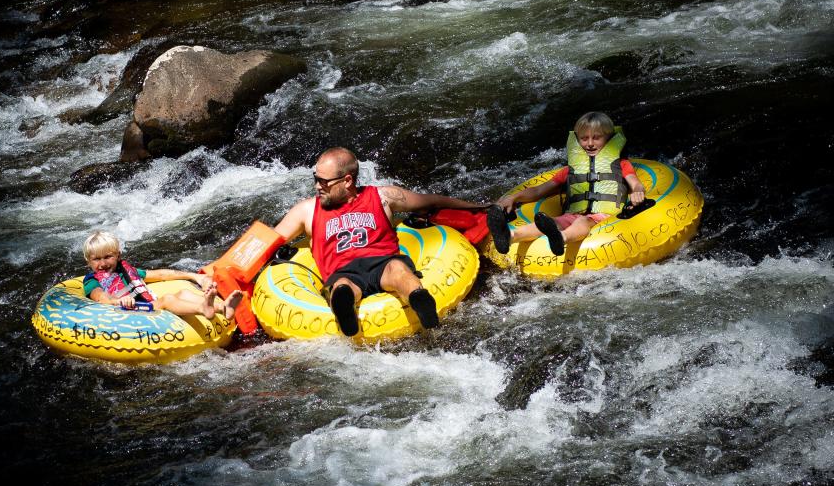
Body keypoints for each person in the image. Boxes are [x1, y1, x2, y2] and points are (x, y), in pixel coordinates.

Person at [273, 147, 486, 337]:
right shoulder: (307, 210)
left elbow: (430, 200)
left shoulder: (383, 196)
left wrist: (479, 207)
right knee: (345, 286)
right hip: (343, 271)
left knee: (398, 271)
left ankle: (419, 299)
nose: (317, 187)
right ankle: (345, 308)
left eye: (324, 182)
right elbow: (269, 240)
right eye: (315, 178)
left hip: (383, 262)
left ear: (347, 181)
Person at [486, 112, 646, 256]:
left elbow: (636, 184)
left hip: (604, 218)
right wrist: (514, 198)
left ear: (609, 138)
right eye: (584, 138)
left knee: (581, 221)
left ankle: (561, 238)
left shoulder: (621, 165)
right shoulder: (570, 171)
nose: (590, 143)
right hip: (574, 214)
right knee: (553, 222)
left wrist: (637, 192)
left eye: (596, 138)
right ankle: (510, 236)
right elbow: (539, 191)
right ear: (577, 140)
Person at [82, 230, 242, 320]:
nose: (102, 264)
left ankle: (223, 307)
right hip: (132, 312)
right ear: (89, 261)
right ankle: (202, 308)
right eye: (96, 259)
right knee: (168, 299)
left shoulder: (124, 271)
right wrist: (119, 301)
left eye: (107, 257)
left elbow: (159, 274)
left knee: (184, 293)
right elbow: (101, 298)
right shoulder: (91, 280)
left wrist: (195, 276)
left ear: (118, 255)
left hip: (147, 305)